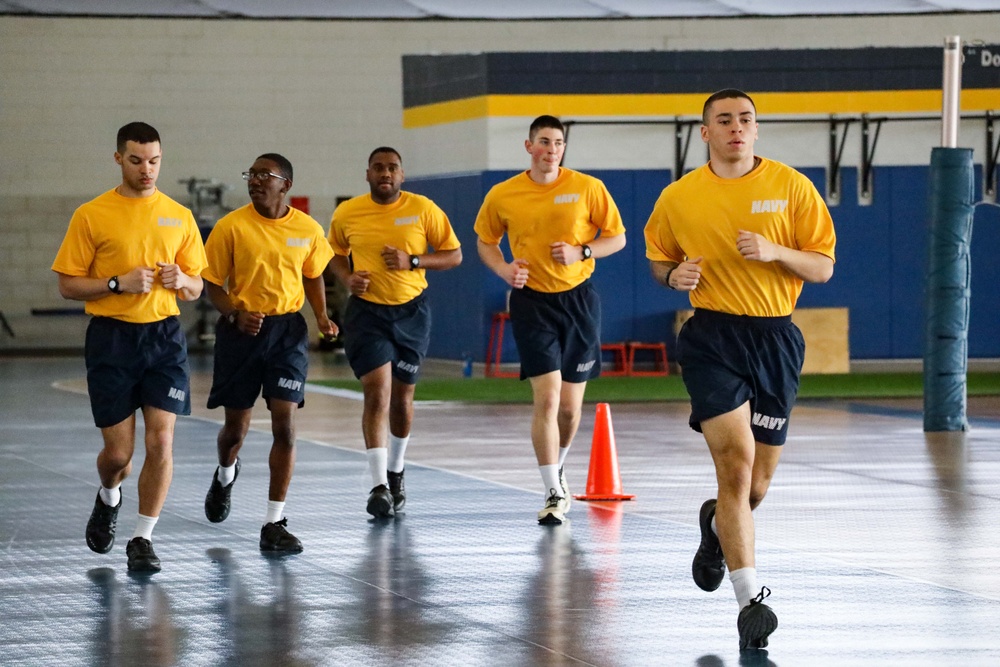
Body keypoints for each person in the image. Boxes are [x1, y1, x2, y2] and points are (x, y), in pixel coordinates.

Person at [644, 89, 837, 650]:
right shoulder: (679, 196)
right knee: (735, 463)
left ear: (756, 130)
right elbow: (659, 257)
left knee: (754, 487)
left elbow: (822, 267)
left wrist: (777, 251)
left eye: (745, 119)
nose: (736, 127)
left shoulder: (792, 187)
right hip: (711, 337)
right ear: (704, 133)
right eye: (723, 120)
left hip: (776, 338)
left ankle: (713, 528)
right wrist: (672, 276)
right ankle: (750, 600)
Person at [52, 121, 208, 574]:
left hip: (163, 338)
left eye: (155, 161)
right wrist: (117, 283)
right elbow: (67, 285)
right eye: (137, 160)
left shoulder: (178, 216)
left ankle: (143, 538)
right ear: (119, 158)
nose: (147, 170)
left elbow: (198, 286)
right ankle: (109, 495)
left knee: (161, 440)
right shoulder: (91, 214)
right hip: (112, 340)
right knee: (118, 456)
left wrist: (183, 280)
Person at [475, 115, 626, 525]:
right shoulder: (504, 194)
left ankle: (557, 466)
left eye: (558, 142)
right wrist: (505, 270)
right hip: (532, 302)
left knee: (571, 411)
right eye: (544, 141)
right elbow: (485, 241)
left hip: (578, 301)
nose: (552, 149)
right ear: (529, 146)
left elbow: (617, 237)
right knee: (548, 397)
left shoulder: (587, 188)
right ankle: (553, 491)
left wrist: (584, 252)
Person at [201, 153, 337, 553]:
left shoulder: (308, 229)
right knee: (235, 432)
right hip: (242, 331)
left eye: (266, 175)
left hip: (287, 333)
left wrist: (323, 317)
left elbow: (313, 277)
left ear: (286, 185)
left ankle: (273, 522)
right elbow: (212, 284)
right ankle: (226, 473)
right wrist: (234, 314)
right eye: (252, 174)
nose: (256, 180)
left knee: (285, 426)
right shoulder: (231, 227)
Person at [326, 147, 462, 518]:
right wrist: (347, 277)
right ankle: (378, 485)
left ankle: (396, 470)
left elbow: (454, 254)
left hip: (411, 312)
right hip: (367, 314)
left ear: (402, 176)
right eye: (378, 168)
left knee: (402, 398)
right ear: (367, 174)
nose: (386, 173)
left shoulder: (423, 209)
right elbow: (333, 253)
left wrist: (413, 261)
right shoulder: (348, 212)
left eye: (393, 168)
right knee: (377, 392)